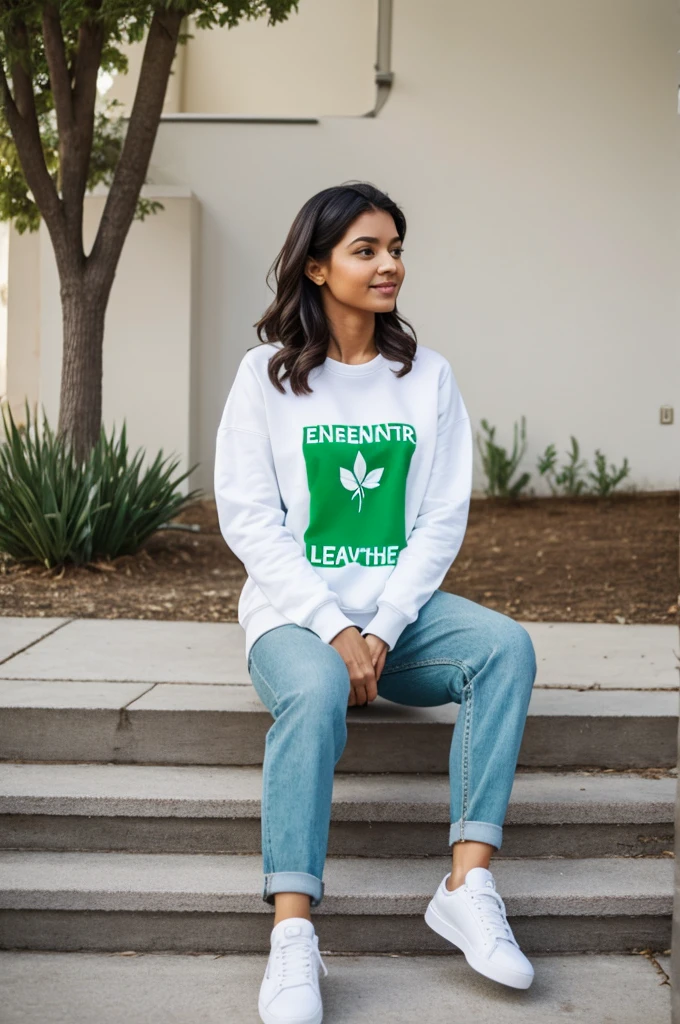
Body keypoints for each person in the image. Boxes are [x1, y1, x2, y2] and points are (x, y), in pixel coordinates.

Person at [214, 181, 538, 1024]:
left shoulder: (425, 377)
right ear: (317, 266)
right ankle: (292, 938)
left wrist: (383, 628)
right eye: (367, 249)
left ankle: (468, 884)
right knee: (317, 687)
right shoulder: (265, 379)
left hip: (400, 622)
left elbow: (439, 521)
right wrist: (336, 629)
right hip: (293, 618)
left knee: (504, 647)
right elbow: (250, 520)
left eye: (395, 248)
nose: (390, 263)